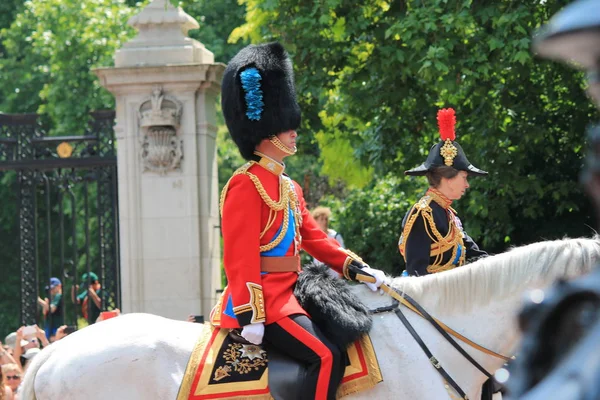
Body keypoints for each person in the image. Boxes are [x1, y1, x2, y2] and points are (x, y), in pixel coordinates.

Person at [211, 42, 386, 400]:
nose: (295, 132)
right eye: (288, 126)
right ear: (268, 129)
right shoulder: (245, 183)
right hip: (265, 302)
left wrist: (358, 268)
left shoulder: (288, 186)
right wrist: (251, 313)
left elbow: (316, 240)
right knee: (325, 356)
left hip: (291, 293)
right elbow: (239, 255)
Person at [399, 108, 488, 277]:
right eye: (464, 177)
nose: (467, 185)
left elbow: (476, 256)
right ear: (448, 178)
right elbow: (416, 273)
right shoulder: (423, 214)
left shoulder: (448, 214)